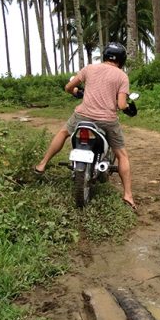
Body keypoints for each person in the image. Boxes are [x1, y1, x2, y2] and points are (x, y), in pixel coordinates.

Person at [34, 42, 137, 211]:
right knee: (122, 155)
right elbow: (121, 104)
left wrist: (77, 93)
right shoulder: (122, 76)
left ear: (104, 55)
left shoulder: (89, 69)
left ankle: (42, 164)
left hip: (82, 116)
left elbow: (69, 87)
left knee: (63, 132)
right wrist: (129, 109)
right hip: (107, 120)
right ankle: (128, 195)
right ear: (121, 60)